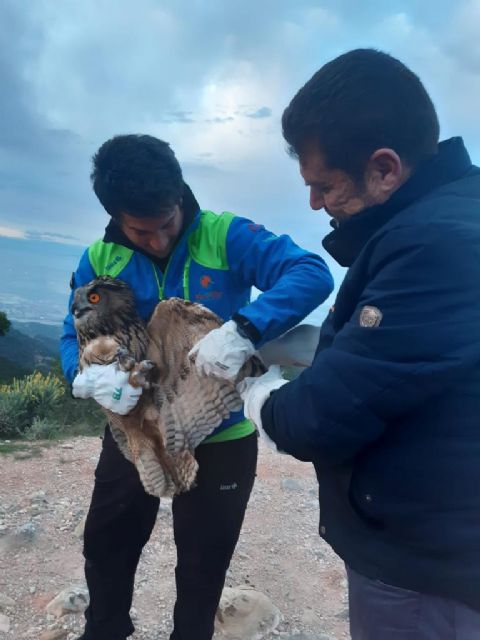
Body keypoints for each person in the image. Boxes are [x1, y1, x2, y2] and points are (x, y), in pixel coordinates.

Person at [239, 49, 480, 639]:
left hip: (426, 568)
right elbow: (402, 360)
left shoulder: (434, 245)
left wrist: (259, 393)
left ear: (385, 168)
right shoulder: (453, 219)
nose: (315, 204)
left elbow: (322, 415)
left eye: (324, 185)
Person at [60, 133, 334, 640]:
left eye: (168, 223)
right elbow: (69, 330)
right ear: (116, 216)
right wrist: (85, 378)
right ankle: (105, 631)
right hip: (137, 430)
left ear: (180, 193)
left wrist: (245, 328)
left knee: (203, 562)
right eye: (143, 232)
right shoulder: (99, 259)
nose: (160, 241)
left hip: (223, 431)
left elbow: (311, 272)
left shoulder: (224, 234)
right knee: (107, 542)